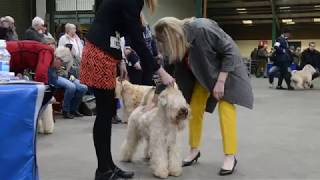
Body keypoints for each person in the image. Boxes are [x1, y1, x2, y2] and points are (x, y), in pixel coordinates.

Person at [79, 0, 175, 180]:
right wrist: (160, 71)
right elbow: (137, 40)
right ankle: (103, 171)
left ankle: (108, 166)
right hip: (99, 54)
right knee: (104, 115)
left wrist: (120, 60)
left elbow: (116, 29)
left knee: (107, 114)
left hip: (106, 52)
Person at [154, 17, 254, 176]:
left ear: (171, 34)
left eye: (163, 41)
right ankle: (194, 151)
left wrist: (221, 81)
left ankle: (230, 155)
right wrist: (158, 94)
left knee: (225, 107)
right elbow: (168, 67)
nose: (164, 46)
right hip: (204, 74)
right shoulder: (177, 42)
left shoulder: (202, 29)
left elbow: (230, 51)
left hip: (226, 71)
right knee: (194, 107)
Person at [125, 13, 159, 85]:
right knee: (136, 90)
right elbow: (127, 47)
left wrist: (156, 54)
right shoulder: (129, 28)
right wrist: (134, 61)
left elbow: (151, 41)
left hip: (148, 62)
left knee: (146, 88)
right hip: (136, 64)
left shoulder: (146, 26)